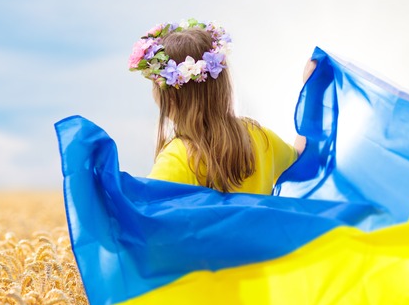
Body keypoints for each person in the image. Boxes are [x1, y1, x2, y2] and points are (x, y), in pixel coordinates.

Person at [128, 19, 308, 195]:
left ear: (171, 99)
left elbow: (142, 212)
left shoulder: (177, 158)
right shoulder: (258, 137)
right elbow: (301, 160)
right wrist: (311, 92)